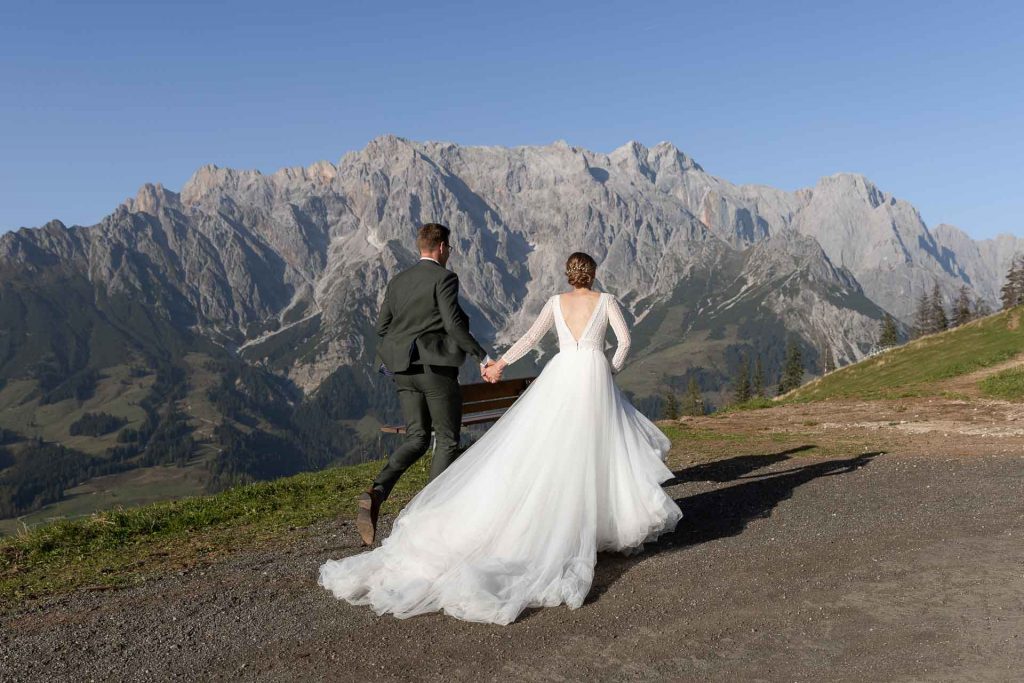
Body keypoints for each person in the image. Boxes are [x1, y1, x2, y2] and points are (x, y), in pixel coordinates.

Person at [320, 251, 682, 625]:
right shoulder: (606, 301)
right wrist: (609, 369)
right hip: (592, 375)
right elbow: (623, 342)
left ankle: (560, 516)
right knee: (600, 448)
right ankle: (598, 521)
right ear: (593, 274)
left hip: (562, 374)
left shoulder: (555, 303)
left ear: (568, 274)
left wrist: (499, 364)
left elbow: (529, 338)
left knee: (553, 449)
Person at [357, 222, 493, 545]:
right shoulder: (445, 278)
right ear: (443, 248)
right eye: (450, 249)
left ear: (421, 247)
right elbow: (454, 324)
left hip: (403, 371)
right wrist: (482, 358)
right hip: (435, 371)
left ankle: (377, 492)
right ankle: (429, 515)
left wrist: (402, 347)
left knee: (417, 437)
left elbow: (381, 327)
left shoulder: (397, 281)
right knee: (446, 439)